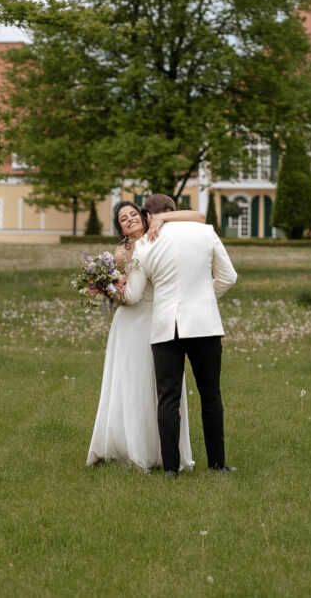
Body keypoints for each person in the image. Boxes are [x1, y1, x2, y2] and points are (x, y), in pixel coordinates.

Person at [86, 201, 206, 470]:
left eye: (133, 214)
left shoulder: (163, 234)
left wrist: (162, 218)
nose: (129, 219)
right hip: (131, 325)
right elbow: (127, 296)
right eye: (123, 219)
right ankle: (133, 446)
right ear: (120, 229)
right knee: (131, 384)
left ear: (144, 216)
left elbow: (198, 216)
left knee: (161, 387)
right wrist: (105, 287)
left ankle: (162, 451)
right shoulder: (122, 253)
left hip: (159, 319)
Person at [123, 193, 237, 477]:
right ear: (173, 210)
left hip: (165, 326)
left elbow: (135, 295)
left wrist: (112, 288)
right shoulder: (205, 232)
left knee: (168, 398)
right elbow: (229, 277)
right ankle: (217, 465)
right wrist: (204, 297)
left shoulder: (145, 245)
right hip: (204, 324)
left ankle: (171, 469)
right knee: (211, 396)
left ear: (148, 216)